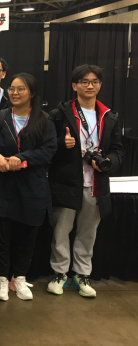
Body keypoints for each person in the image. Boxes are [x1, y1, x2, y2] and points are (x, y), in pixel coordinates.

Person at [47, 64, 123, 298]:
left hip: (95, 183)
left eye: (94, 82)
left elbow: (118, 150)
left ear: (100, 85)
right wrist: (62, 144)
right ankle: (59, 273)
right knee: (61, 230)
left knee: (88, 232)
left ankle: (82, 274)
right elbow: (47, 145)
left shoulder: (109, 116)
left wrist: (108, 161)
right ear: (74, 85)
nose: (90, 86)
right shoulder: (60, 113)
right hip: (66, 181)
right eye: (84, 82)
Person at [0, 73, 57, 301]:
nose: (15, 93)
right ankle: (2, 279)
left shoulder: (44, 120)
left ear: (32, 93)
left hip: (32, 187)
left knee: (27, 237)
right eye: (12, 89)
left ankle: (20, 278)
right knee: (2, 237)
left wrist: (21, 158)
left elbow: (48, 150)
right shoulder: (0, 117)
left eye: (21, 89)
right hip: (3, 186)